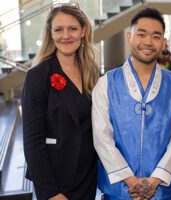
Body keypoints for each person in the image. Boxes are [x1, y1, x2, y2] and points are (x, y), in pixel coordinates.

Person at [92, 7, 171, 200]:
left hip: (162, 191)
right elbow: (101, 137)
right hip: (118, 192)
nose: (148, 42)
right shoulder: (106, 83)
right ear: (129, 37)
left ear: (163, 43)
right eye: (142, 34)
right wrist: (131, 181)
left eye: (155, 37)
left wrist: (153, 182)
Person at [22, 3, 99, 200]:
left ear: (83, 31)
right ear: (51, 33)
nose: (66, 35)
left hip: (87, 179)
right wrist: (51, 193)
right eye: (58, 29)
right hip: (55, 182)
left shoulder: (92, 73)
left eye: (72, 28)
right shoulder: (38, 76)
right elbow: (32, 143)